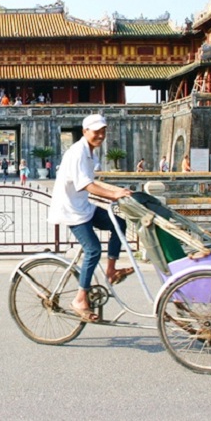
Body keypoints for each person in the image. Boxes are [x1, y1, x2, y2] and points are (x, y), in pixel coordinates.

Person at [48, 114, 134, 323]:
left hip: (83, 206)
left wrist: (118, 191)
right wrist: (114, 195)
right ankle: (79, 298)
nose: (101, 135)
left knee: (119, 224)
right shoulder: (78, 153)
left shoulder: (90, 152)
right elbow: (86, 185)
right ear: (85, 131)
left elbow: (92, 181)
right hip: (71, 210)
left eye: (103, 131)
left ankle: (111, 271)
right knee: (93, 249)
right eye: (96, 131)